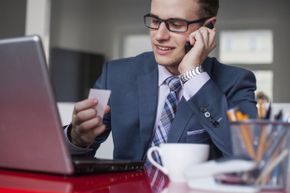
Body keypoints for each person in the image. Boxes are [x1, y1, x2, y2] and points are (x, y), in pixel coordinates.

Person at [65, 0, 257, 161]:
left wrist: (192, 74)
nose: (159, 35)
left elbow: (251, 156)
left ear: (208, 26)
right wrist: (77, 138)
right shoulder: (115, 74)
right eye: (155, 20)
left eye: (176, 24)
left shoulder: (236, 82)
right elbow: (78, 150)